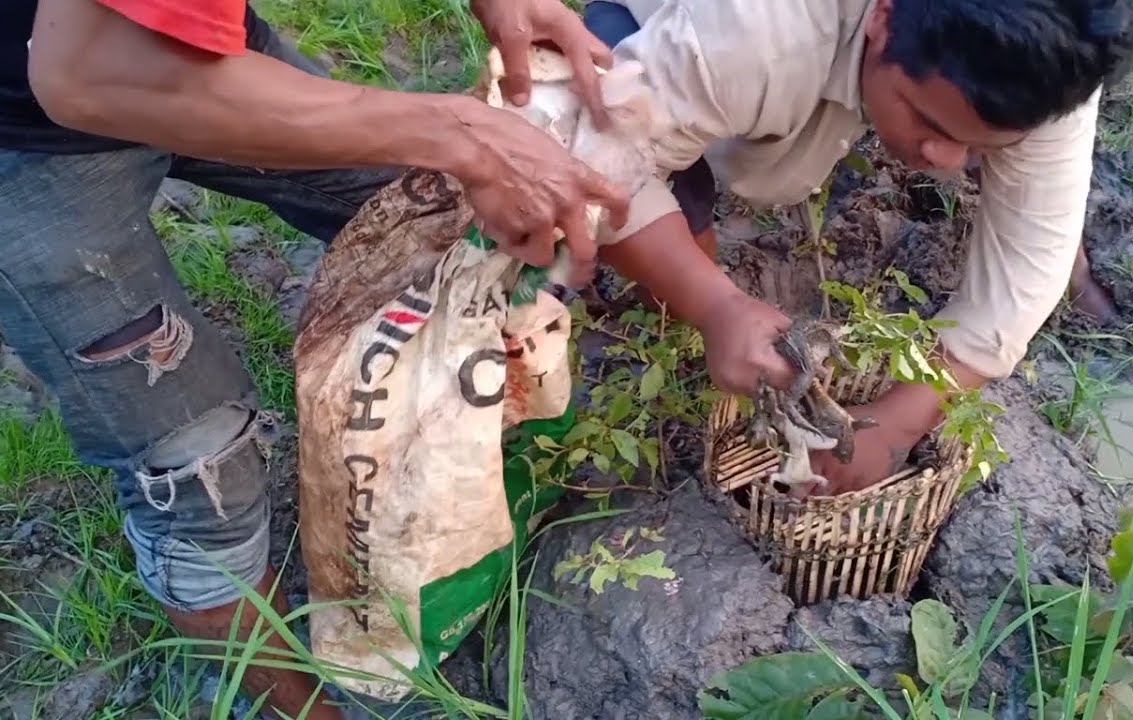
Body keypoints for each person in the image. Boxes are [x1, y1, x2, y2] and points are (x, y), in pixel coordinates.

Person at [0, 0, 794, 716]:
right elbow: (87, 72)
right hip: (29, 124)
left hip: (196, 44)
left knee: (445, 224)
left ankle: (458, 502)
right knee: (197, 469)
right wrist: (456, 129)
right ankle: (298, 705)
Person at [579, 0, 1133, 495]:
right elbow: (596, 163)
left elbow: (1024, 267)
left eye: (977, 148)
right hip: (667, 30)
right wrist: (712, 304)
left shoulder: (1053, 62)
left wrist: (899, 424)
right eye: (929, 121)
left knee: (1032, 203)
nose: (945, 161)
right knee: (672, 228)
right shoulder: (755, 28)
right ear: (884, 13)